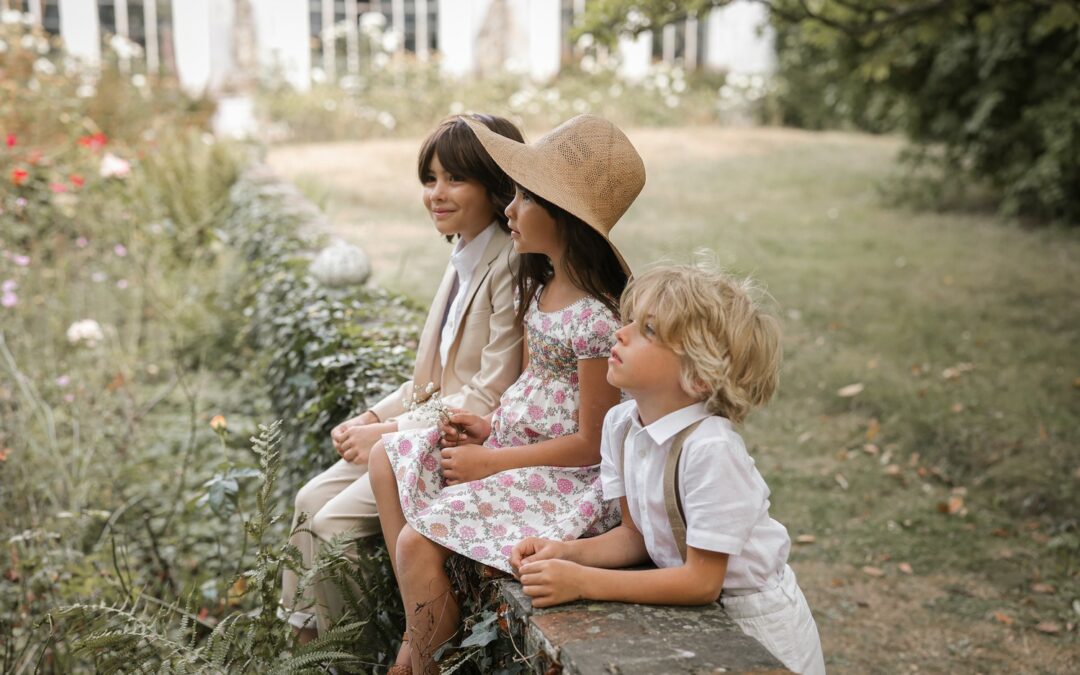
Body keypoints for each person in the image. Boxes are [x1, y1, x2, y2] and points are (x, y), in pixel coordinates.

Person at [368, 114, 646, 674]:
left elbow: (592, 444)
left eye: (523, 199)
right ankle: (417, 627)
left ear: (562, 215)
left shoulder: (592, 319)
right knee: (387, 459)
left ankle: (422, 660)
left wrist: (492, 460)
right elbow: (534, 395)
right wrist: (487, 429)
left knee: (417, 543)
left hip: (562, 480)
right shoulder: (541, 289)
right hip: (512, 448)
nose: (510, 210)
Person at [280, 114, 526, 644]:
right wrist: (372, 416)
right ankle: (303, 644)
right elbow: (430, 378)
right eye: (430, 178)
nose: (436, 194)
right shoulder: (462, 252)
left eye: (455, 179)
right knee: (306, 503)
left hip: (460, 443)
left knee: (333, 528)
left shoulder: (510, 263)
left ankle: (352, 650)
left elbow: (489, 392)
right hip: (414, 432)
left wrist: (387, 435)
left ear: (497, 185)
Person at [510, 263, 827, 675]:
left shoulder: (710, 449)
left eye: (649, 331)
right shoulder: (622, 425)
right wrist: (566, 551)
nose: (620, 333)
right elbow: (635, 535)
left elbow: (701, 581)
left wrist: (583, 582)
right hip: (695, 617)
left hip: (756, 627)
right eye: (629, 320)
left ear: (698, 375)